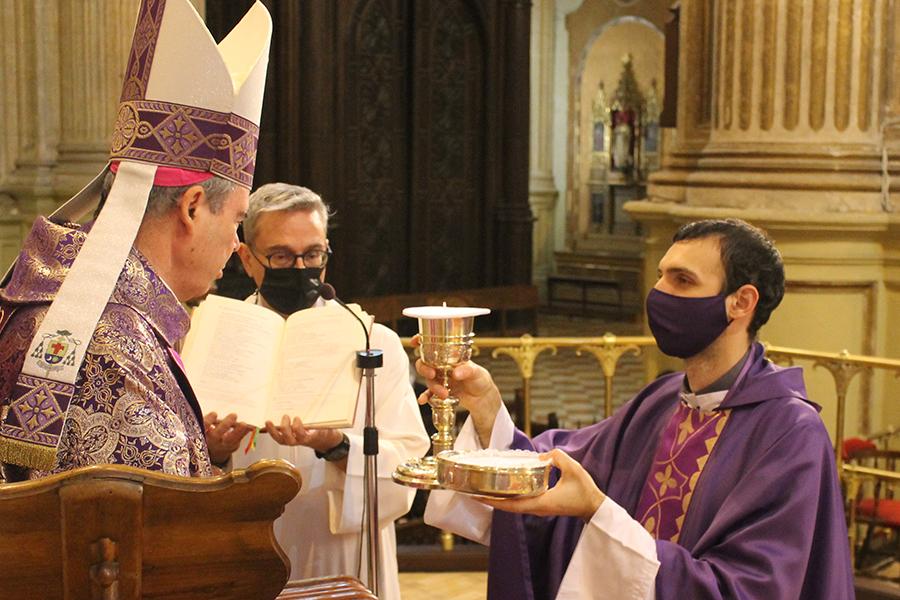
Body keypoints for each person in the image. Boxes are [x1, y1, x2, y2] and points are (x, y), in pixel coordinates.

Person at [422, 219, 854, 599]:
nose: (660, 292)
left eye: (682, 281)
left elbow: (750, 587)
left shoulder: (790, 432)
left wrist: (596, 513)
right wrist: (486, 409)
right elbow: (558, 472)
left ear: (741, 302)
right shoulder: (661, 400)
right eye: (661, 276)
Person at [0, 0, 271, 480]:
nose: (235, 244)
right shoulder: (114, 343)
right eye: (235, 221)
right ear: (191, 208)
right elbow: (158, 534)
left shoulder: (74, 301)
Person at [229, 183, 429, 600]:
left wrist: (336, 445)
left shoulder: (374, 342)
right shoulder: (221, 339)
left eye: (313, 255)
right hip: (246, 550)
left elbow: (407, 461)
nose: (300, 268)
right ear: (248, 259)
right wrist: (213, 448)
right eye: (281, 255)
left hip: (343, 552)